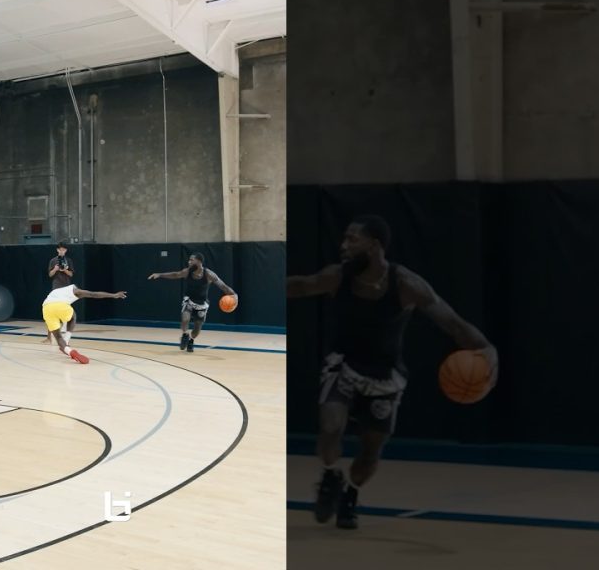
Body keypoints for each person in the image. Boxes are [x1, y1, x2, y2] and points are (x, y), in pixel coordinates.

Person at [286, 215, 498, 529]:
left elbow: (452, 323)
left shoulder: (406, 284)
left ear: (374, 245)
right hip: (344, 364)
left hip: (385, 375)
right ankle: (331, 476)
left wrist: (486, 348)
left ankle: (351, 493)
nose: (343, 246)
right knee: (331, 426)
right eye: (344, 238)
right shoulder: (338, 277)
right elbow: (302, 285)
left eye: (352, 239)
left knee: (371, 450)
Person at [148, 253, 237, 352]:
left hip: (202, 304)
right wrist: (160, 274)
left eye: (191, 260)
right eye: (189, 260)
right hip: (189, 300)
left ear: (199, 261)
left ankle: (191, 340)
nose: (189, 262)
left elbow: (223, 286)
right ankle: (185, 335)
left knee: (197, 328)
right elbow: (175, 274)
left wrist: (234, 295)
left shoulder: (208, 274)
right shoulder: (187, 272)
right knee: (185, 319)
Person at [43, 283, 126, 364]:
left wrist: (48, 336)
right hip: (60, 306)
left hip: (45, 308)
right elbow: (93, 294)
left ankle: (68, 350)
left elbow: (50, 316)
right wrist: (113, 295)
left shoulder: (56, 292)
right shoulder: (75, 290)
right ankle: (66, 341)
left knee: (58, 338)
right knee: (73, 317)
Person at [44, 242, 75, 344]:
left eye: (64, 249)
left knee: (66, 309)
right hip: (56, 287)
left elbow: (71, 274)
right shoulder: (53, 261)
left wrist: (65, 270)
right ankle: (49, 336)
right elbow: (50, 274)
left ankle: (65, 333)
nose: (62, 251)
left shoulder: (69, 260)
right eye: (60, 249)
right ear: (57, 250)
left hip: (66, 287)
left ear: (66, 250)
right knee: (51, 309)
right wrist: (55, 269)